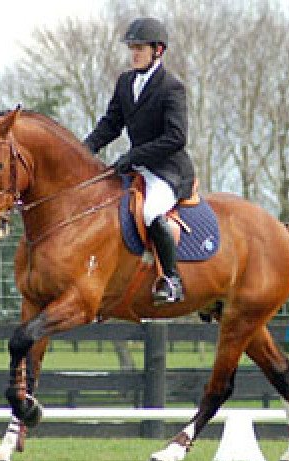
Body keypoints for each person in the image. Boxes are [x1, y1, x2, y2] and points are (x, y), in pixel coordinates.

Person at [84, 17, 194, 306]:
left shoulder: (171, 87)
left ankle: (172, 280)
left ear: (158, 50)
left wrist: (134, 155)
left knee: (150, 212)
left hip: (169, 170)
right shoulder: (126, 82)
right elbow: (111, 124)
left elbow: (177, 137)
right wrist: (83, 150)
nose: (133, 53)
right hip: (139, 168)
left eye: (139, 48)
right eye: (131, 48)